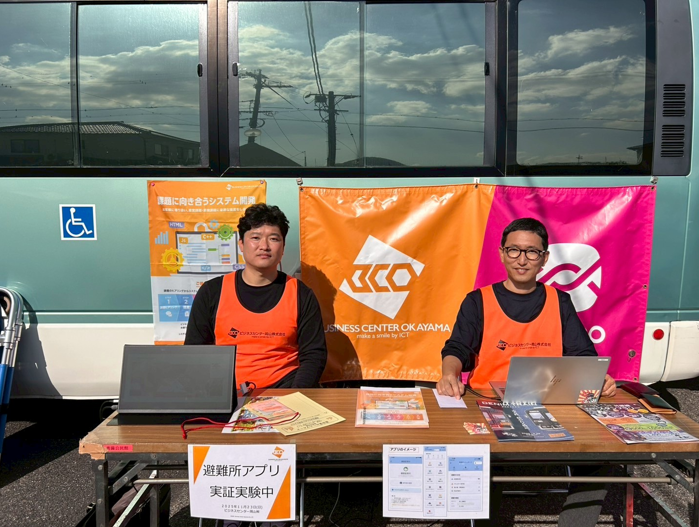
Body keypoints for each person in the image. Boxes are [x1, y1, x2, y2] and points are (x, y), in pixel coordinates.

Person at [436, 217, 616, 527]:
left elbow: (584, 356)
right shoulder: (478, 301)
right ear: (501, 253)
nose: (522, 259)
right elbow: (457, 349)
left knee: (602, 452)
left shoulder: (560, 301)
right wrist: (448, 373)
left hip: (550, 404)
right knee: (479, 458)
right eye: (514, 250)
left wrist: (598, 378)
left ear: (544, 258)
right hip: (489, 406)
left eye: (532, 252)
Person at [185, 203, 327, 390]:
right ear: (241, 244)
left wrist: (295, 396)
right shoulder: (212, 292)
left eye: (274, 239)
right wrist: (216, 395)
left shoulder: (301, 294)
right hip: (226, 394)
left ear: (283, 247)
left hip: (285, 393)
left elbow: (313, 355)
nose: (264, 246)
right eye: (255, 237)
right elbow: (195, 353)